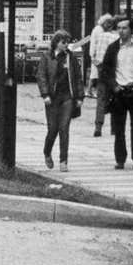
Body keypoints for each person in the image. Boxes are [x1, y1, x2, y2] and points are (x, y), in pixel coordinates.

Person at [99, 16, 133, 170]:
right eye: (119, 28)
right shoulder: (113, 48)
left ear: (131, 30)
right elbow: (106, 71)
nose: (121, 31)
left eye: (124, 28)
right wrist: (114, 86)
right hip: (119, 92)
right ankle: (120, 159)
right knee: (119, 127)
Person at [36, 29, 84, 171]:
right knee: (53, 129)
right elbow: (41, 76)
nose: (66, 45)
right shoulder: (46, 57)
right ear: (56, 42)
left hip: (67, 97)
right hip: (52, 97)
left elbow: (77, 78)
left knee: (64, 128)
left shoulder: (71, 58)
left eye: (67, 42)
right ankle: (47, 151)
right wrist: (45, 94)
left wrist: (80, 96)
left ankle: (64, 161)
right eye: (63, 42)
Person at [86, 14, 118, 137]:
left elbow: (93, 54)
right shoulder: (116, 38)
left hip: (101, 72)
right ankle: (114, 128)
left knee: (101, 100)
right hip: (113, 73)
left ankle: (98, 127)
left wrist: (98, 66)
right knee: (115, 100)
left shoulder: (100, 37)